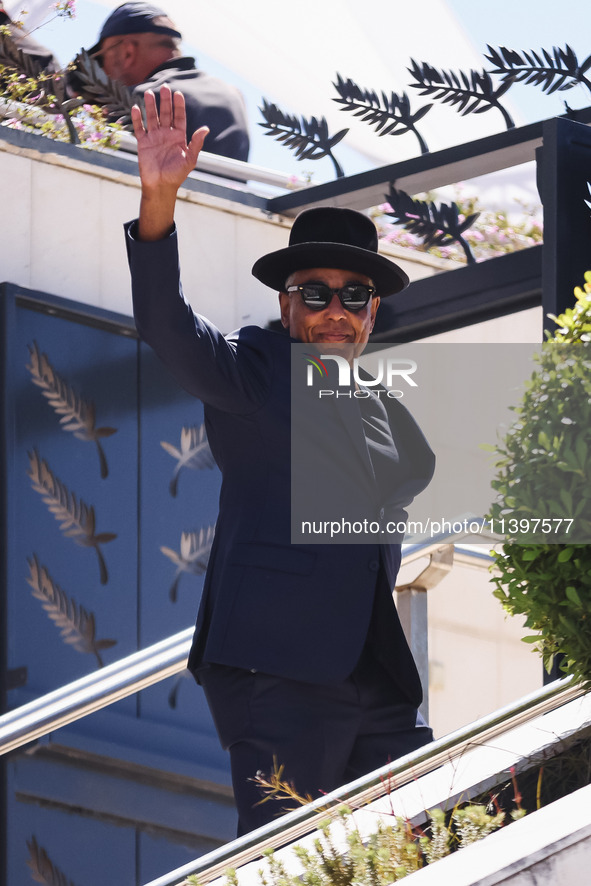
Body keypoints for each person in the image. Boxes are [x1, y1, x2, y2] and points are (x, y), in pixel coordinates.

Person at [125, 86, 435, 835]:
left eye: (353, 296)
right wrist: (159, 202)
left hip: (376, 674)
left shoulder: (380, 403)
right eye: (316, 293)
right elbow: (167, 326)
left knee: (424, 837)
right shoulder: (252, 373)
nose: (336, 309)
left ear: (370, 313)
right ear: (287, 305)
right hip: (279, 670)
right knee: (284, 861)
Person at [86, 2, 249, 162]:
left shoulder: (144, 96)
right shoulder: (232, 94)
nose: (103, 72)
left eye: (101, 59)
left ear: (128, 52)